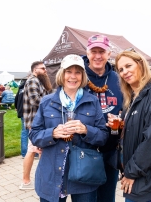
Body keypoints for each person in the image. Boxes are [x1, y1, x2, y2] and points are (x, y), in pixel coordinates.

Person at [29, 54, 108, 202]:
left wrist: (86, 130)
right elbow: (34, 134)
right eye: (68, 71)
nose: (73, 76)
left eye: (78, 72)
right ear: (62, 74)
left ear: (83, 76)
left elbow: (103, 136)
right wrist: (52, 133)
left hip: (84, 174)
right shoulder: (47, 102)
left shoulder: (92, 101)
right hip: (52, 172)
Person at [108, 51, 151, 202]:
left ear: (141, 64)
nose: (124, 72)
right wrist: (119, 126)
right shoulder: (133, 96)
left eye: (128, 66)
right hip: (137, 177)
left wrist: (131, 172)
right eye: (121, 69)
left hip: (145, 179)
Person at [83, 34, 123, 202]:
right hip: (84, 149)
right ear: (87, 52)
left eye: (102, 51)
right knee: (85, 197)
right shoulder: (78, 76)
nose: (98, 56)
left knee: (107, 197)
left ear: (109, 54)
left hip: (111, 149)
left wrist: (124, 121)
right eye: (94, 51)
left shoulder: (119, 78)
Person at [19, 61, 52, 190]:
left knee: (39, 150)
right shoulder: (33, 80)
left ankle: (43, 179)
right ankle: (26, 181)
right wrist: (53, 102)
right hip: (35, 123)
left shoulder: (38, 81)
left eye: (45, 68)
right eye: (42, 68)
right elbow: (35, 100)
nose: (45, 70)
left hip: (38, 122)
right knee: (32, 150)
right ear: (34, 70)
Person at [15, 77, 29, 158]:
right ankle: (34, 153)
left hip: (21, 112)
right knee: (32, 132)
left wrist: (17, 108)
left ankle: (24, 153)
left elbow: (16, 100)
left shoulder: (20, 88)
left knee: (24, 132)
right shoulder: (31, 87)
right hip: (29, 112)